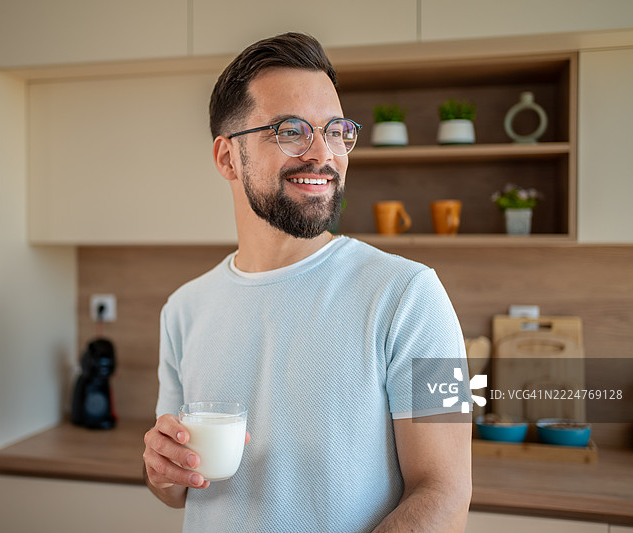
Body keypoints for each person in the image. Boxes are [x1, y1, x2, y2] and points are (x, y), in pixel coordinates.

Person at [143, 32, 472, 532]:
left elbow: (447, 493)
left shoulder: (412, 296)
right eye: (291, 130)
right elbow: (175, 488)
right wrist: (163, 472)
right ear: (227, 158)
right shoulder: (184, 309)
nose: (324, 154)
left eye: (336, 130)